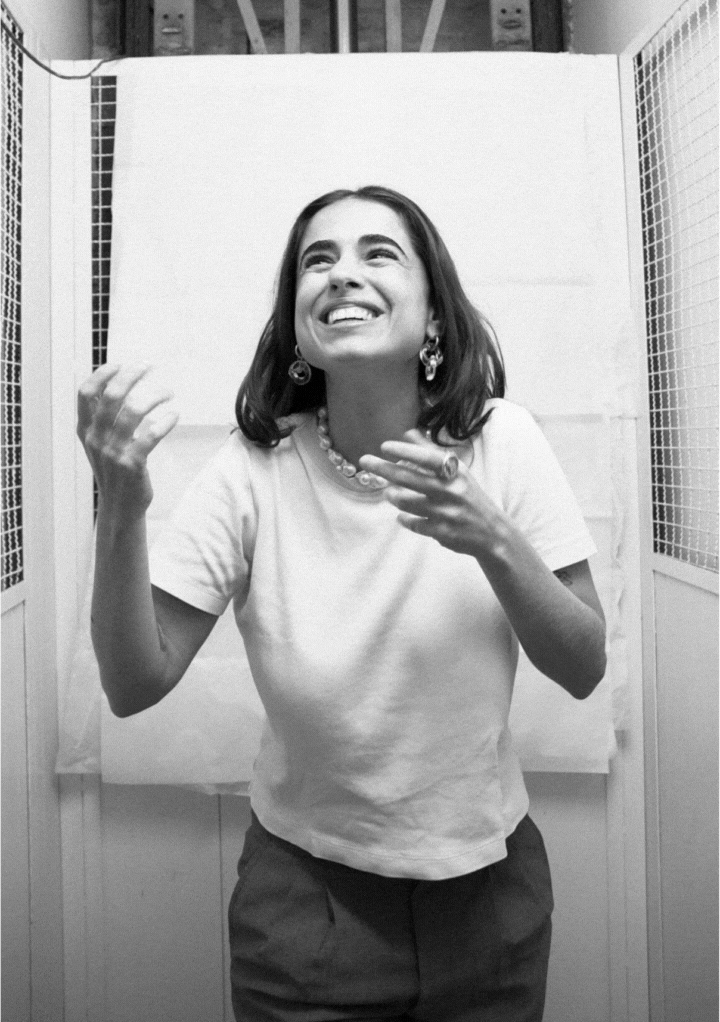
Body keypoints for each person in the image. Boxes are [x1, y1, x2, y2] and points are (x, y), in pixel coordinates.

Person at [77, 185, 606, 1022]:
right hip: (304, 905)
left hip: (490, 896)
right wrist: (120, 503)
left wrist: (491, 539)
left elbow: (583, 667)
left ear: (434, 319)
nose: (341, 274)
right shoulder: (251, 471)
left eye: (378, 254)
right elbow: (134, 683)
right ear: (298, 331)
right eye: (316, 261)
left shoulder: (502, 440)